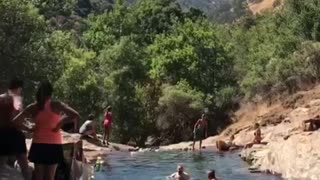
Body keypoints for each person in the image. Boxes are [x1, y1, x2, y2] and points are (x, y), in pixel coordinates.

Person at [13, 81, 80, 180]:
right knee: (50, 177)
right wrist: (60, 123)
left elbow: (15, 121)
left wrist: (29, 128)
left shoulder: (34, 107)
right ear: (50, 92)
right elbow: (75, 114)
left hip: (38, 144)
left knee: (39, 176)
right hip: (54, 145)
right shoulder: (56, 105)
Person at [0, 78, 30, 180]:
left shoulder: (0, 98)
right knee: (24, 164)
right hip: (15, 134)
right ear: (19, 88)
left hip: (1, 134)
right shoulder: (16, 98)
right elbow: (16, 118)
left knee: (1, 164)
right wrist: (27, 127)